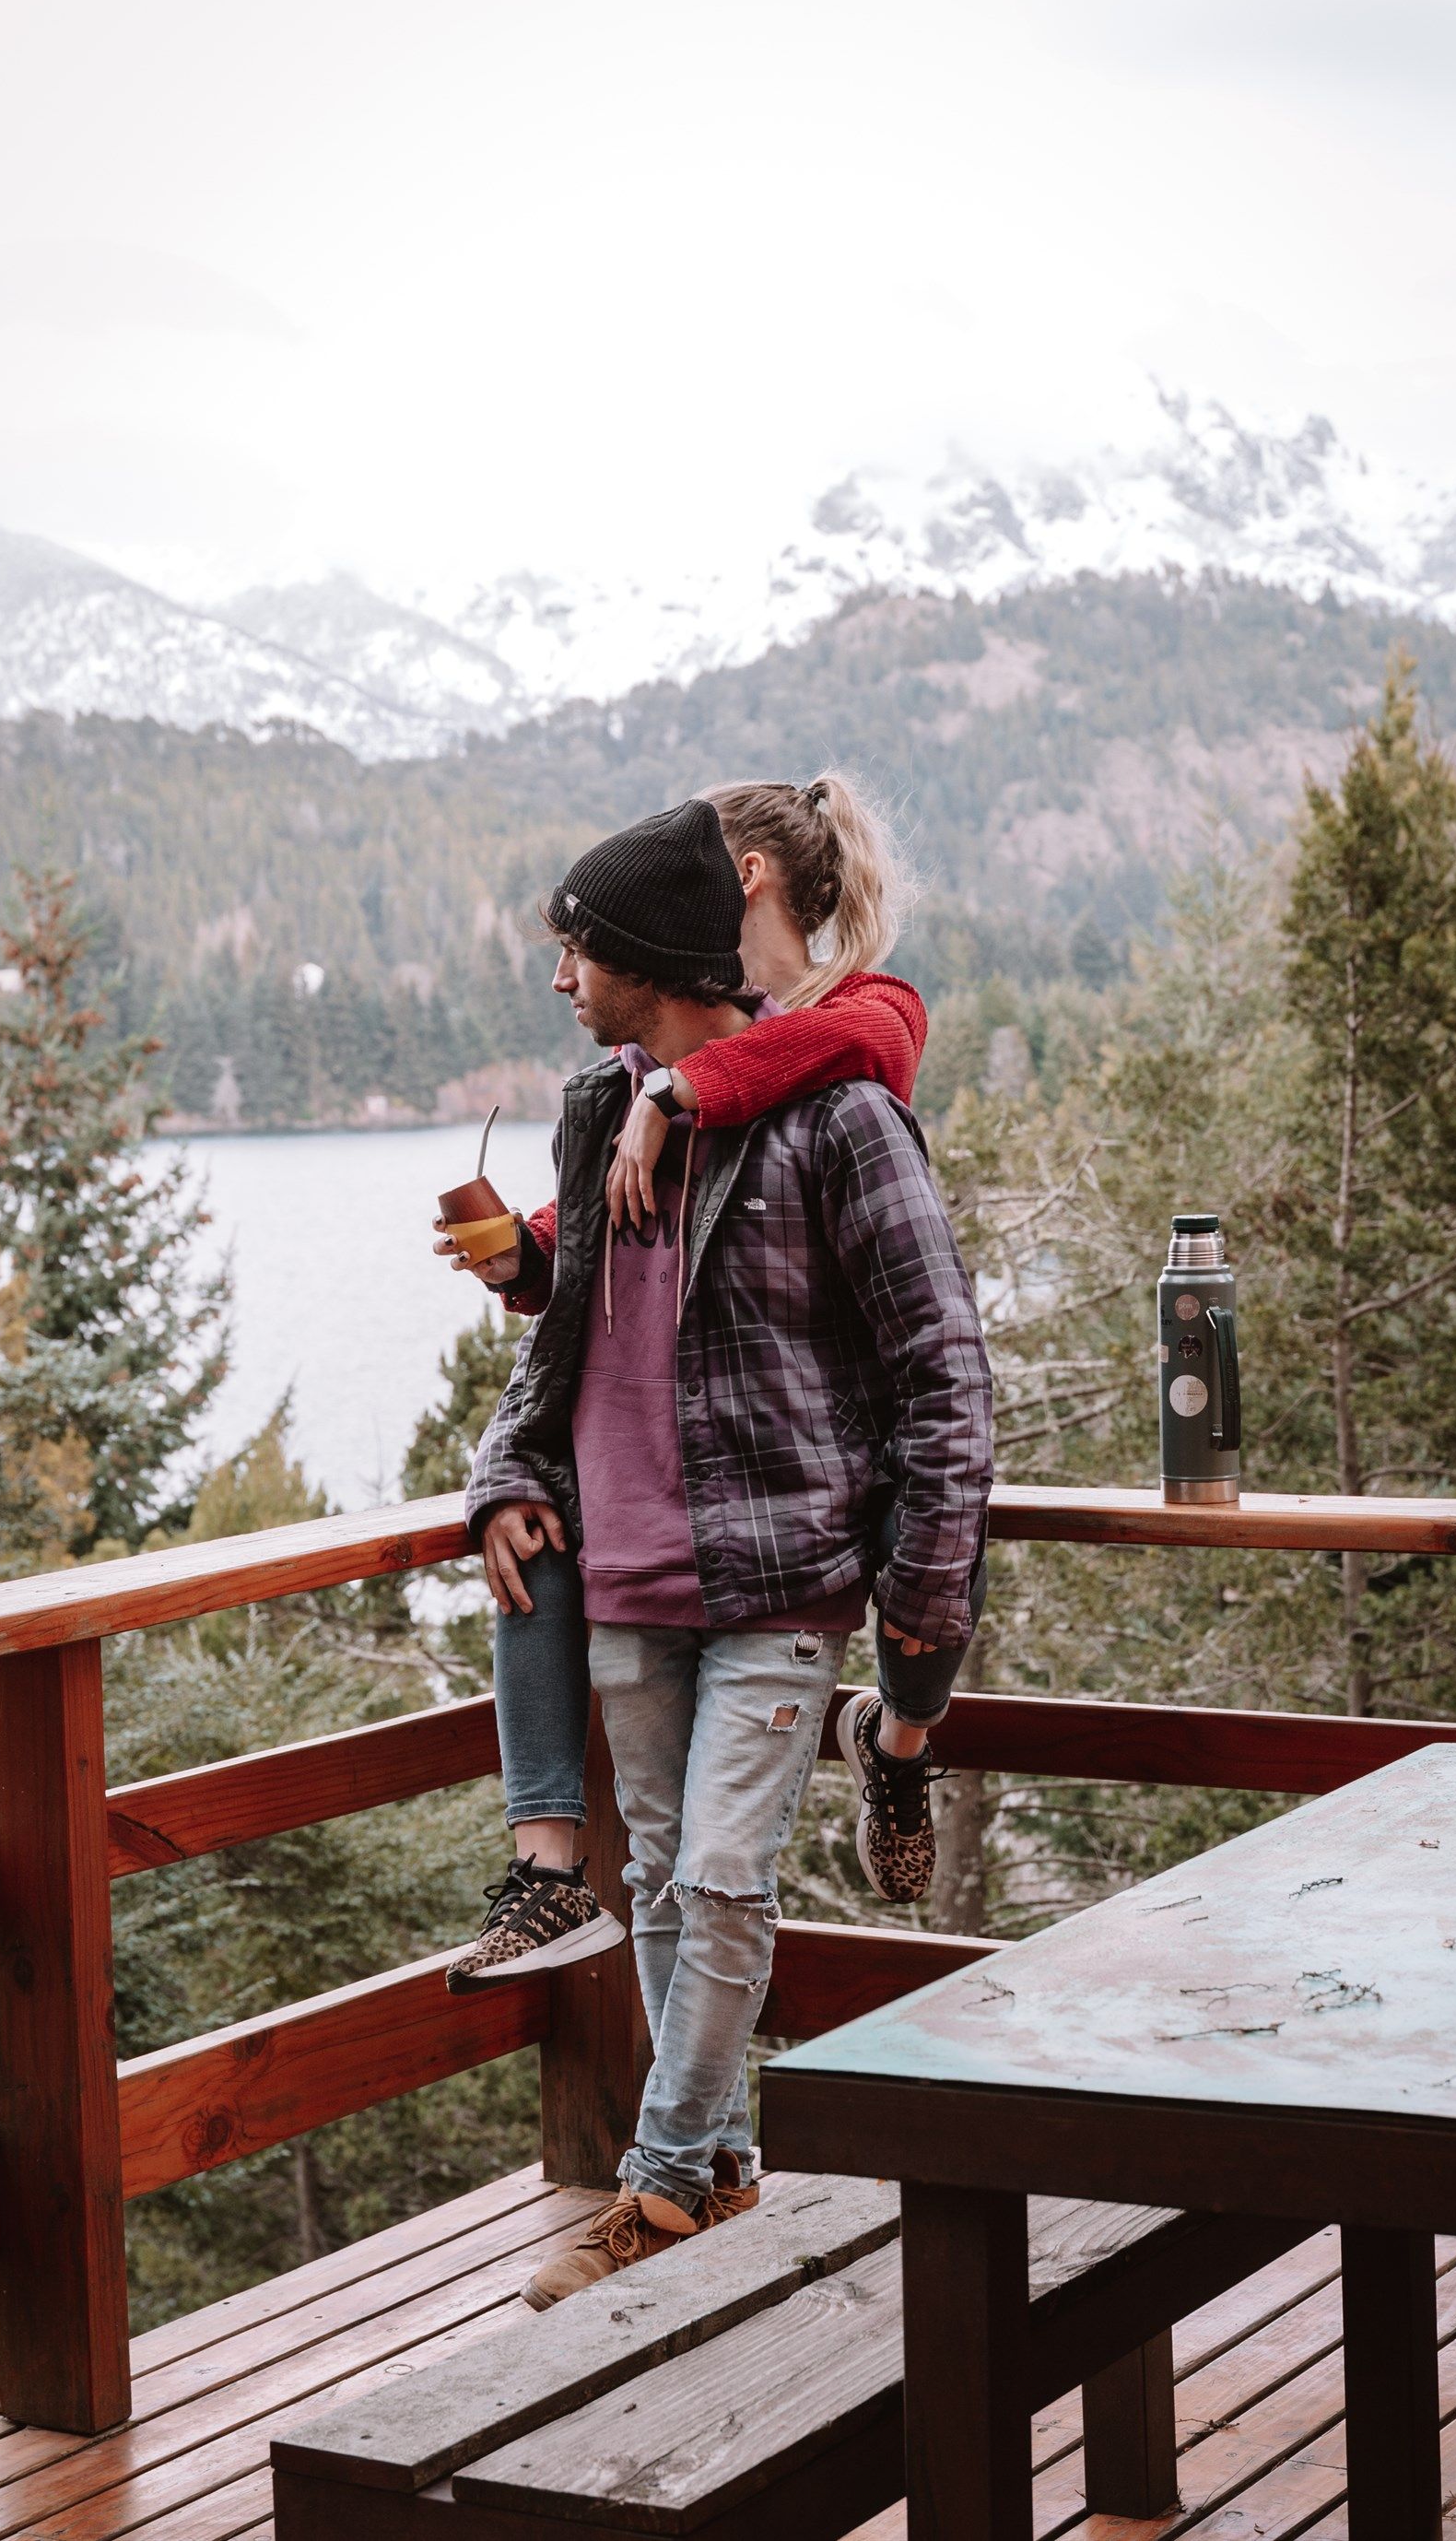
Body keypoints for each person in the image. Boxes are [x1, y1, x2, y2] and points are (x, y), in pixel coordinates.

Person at [456, 796, 992, 2304]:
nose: (560, 977)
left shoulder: (840, 1115)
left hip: (779, 1575)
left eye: (578, 948)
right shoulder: (595, 1107)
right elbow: (562, 1344)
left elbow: (944, 1366)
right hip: (625, 1568)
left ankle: (664, 2182)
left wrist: (921, 1598)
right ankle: (725, 2165)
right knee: (665, 1879)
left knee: (727, 1880)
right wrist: (507, 1475)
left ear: (643, 950)